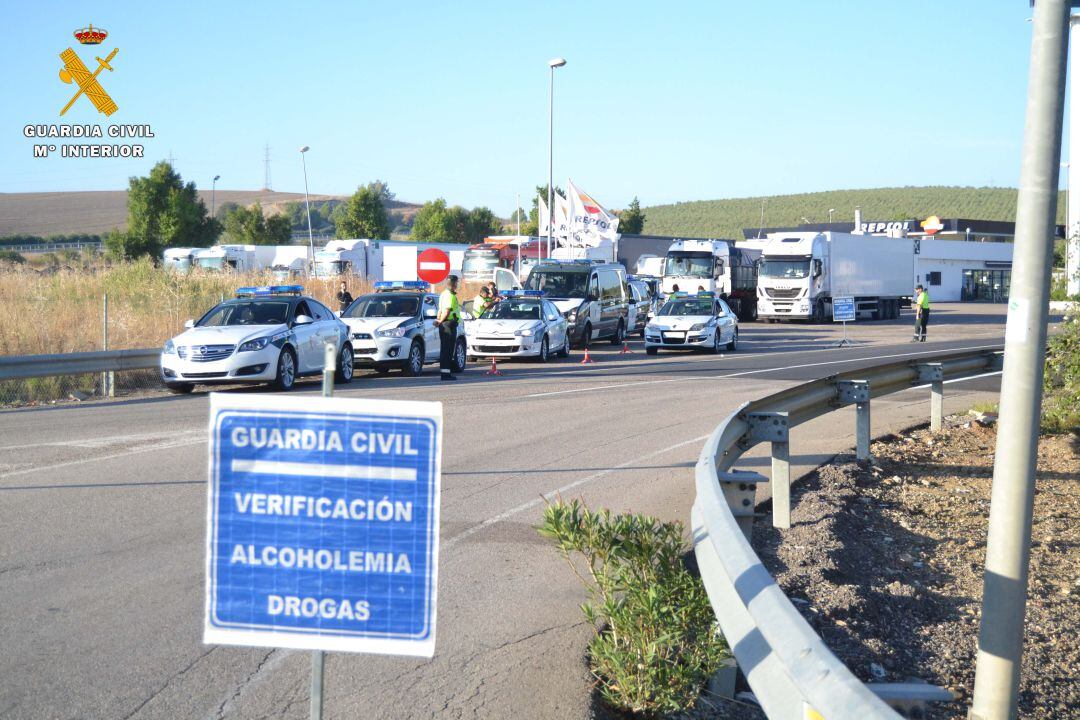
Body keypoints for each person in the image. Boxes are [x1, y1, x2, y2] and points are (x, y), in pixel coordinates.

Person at [436, 275, 462, 381]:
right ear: (454, 283)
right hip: (449, 325)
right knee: (448, 350)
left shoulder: (443, 294)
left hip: (445, 324)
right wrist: (441, 321)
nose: (457, 284)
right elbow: (446, 311)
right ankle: (446, 374)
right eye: (456, 282)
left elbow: (440, 311)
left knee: (445, 349)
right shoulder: (450, 295)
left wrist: (438, 320)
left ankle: (445, 373)